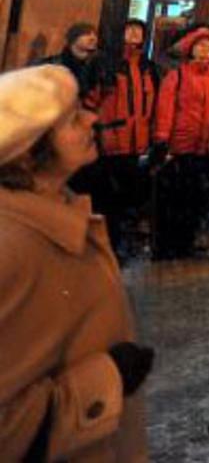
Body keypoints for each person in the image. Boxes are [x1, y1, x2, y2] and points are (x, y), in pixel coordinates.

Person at [0, 65, 153, 461]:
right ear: (29, 153)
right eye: (71, 119)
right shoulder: (13, 246)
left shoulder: (60, 211)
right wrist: (108, 379)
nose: (92, 118)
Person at [150, 26, 209, 258]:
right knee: (172, 200)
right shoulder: (177, 76)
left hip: (206, 148)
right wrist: (163, 141)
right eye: (200, 45)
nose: (205, 49)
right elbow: (165, 110)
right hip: (179, 148)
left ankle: (185, 244)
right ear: (191, 49)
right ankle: (166, 246)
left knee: (194, 200)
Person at [86, 20, 160, 257]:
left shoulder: (149, 68)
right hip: (110, 143)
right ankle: (103, 246)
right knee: (106, 199)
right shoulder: (105, 63)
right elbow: (91, 100)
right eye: (129, 29)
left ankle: (118, 246)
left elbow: (154, 106)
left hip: (136, 145)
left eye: (139, 30)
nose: (134, 34)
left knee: (128, 198)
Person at [45, 22, 104, 98]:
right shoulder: (53, 65)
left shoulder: (97, 67)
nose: (93, 38)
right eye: (86, 34)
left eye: (95, 35)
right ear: (73, 38)